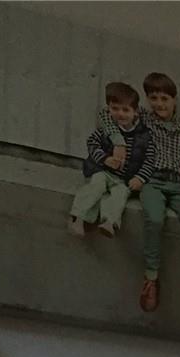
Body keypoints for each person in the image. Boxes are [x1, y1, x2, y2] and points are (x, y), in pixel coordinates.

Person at [99, 72, 180, 318]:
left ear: (174, 100)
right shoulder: (143, 120)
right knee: (154, 219)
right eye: (154, 98)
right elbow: (107, 115)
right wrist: (118, 142)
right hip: (152, 181)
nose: (159, 104)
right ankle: (151, 278)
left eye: (164, 98)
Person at [69, 81, 153, 239]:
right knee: (95, 187)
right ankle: (78, 218)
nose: (120, 114)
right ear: (109, 109)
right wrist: (105, 159)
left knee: (120, 194)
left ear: (135, 112)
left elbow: (149, 159)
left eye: (125, 110)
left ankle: (109, 222)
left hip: (124, 178)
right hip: (104, 171)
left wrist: (140, 177)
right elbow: (92, 144)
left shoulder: (144, 136)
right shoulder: (106, 130)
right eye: (115, 109)